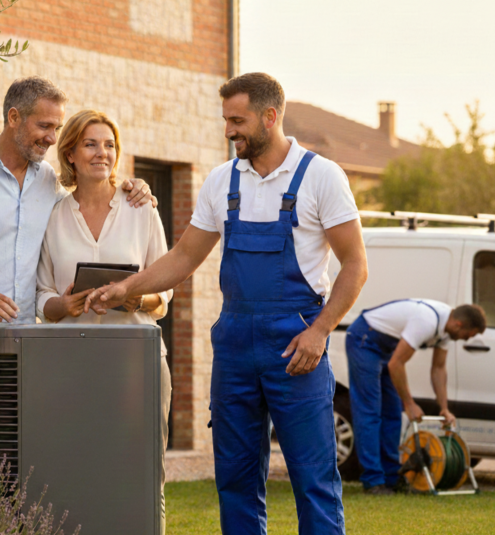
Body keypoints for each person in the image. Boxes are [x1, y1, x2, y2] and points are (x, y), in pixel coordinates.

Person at [84, 72, 368, 535]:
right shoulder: (221, 181)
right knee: (234, 479)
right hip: (234, 344)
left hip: (295, 343)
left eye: (237, 120)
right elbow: (184, 256)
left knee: (313, 479)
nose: (228, 130)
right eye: (225, 120)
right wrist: (127, 288)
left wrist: (319, 333)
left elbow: (356, 266)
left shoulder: (320, 176)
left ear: (270, 117)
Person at [0, 77, 154, 461]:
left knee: (8, 474)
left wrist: (132, 186)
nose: (52, 138)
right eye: (44, 126)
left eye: (57, 128)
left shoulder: (47, 181)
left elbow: (87, 195)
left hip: (19, 350)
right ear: (14, 117)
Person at [35, 109, 174, 532]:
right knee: (76, 464)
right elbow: (42, 296)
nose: (103, 153)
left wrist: (134, 298)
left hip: (137, 358)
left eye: (110, 144)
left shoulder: (140, 208)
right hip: (71, 358)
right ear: (71, 153)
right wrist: (66, 304)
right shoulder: (53, 215)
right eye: (92, 144)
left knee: (142, 467)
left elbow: (164, 290)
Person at [345, 300, 487, 494]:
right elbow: (396, 364)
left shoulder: (446, 331)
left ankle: (392, 478)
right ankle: (373, 481)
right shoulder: (427, 321)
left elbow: (438, 369)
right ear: (459, 325)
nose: (464, 340)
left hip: (387, 348)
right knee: (370, 412)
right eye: (466, 336)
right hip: (365, 338)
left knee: (393, 413)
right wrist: (409, 403)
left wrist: (444, 408)